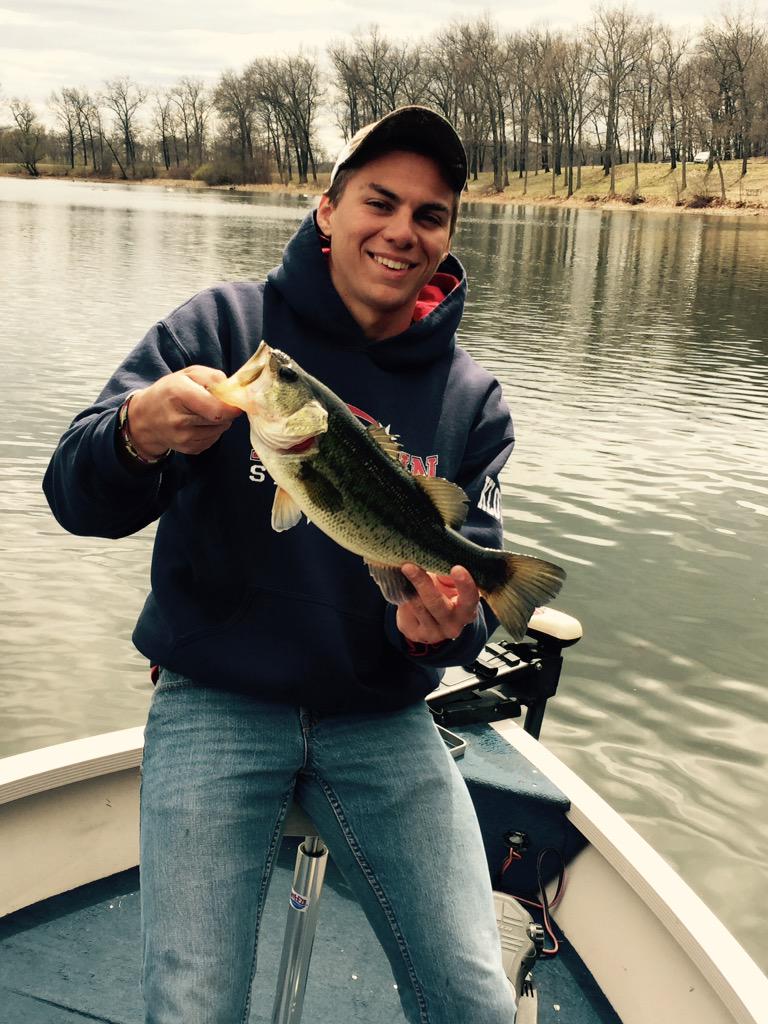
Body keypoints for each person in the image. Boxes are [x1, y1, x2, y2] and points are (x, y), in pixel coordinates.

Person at [43, 106, 518, 1024]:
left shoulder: (471, 399)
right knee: (191, 1006)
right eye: (380, 201)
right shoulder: (223, 329)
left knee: (475, 998)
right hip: (216, 700)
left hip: (383, 714)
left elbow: (481, 586)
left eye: (430, 214)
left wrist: (454, 628)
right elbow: (73, 494)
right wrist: (138, 433)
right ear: (327, 209)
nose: (401, 231)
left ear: (450, 234)